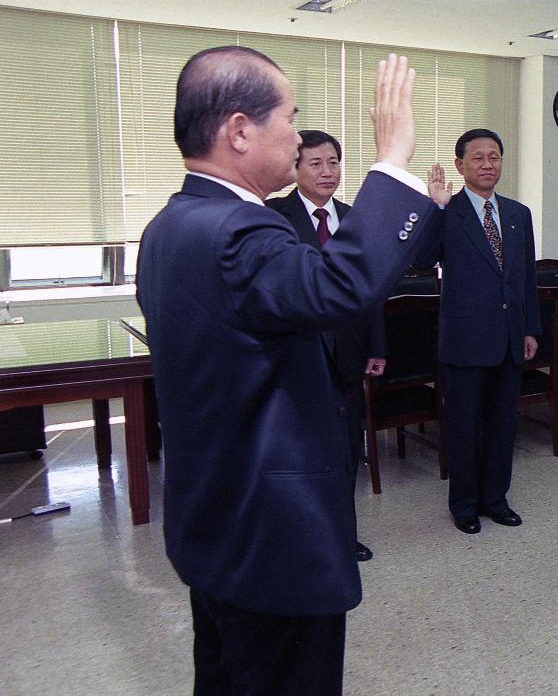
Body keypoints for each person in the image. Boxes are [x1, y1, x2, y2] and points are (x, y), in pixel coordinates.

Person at [137, 49, 448, 694]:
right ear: (240, 131)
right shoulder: (236, 232)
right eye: (291, 119)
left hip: (217, 521)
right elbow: (342, 285)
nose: (299, 137)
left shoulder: (169, 226)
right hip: (272, 535)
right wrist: (392, 158)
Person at [412, 128, 540, 535]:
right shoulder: (448, 212)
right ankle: (464, 505)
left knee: (503, 426)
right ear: (460, 165)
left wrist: (530, 329)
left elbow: (525, 280)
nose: (487, 164)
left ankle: (495, 499)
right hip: (465, 342)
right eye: (478, 157)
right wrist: (433, 208)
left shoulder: (519, 214)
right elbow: (421, 258)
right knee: (464, 427)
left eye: (495, 157)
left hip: (509, 339)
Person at [266, 129, 385, 563]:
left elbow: (369, 290)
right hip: (297, 356)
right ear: (295, 169)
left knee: (345, 450)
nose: (326, 171)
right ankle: (301, 539)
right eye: (315, 163)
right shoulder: (273, 216)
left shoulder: (356, 218)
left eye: (333, 162)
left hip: (349, 355)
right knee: (300, 454)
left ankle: (342, 534)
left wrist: (377, 345)